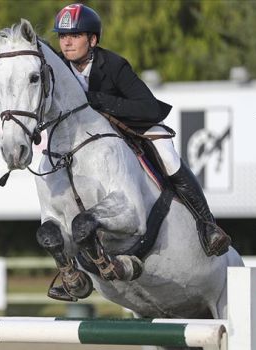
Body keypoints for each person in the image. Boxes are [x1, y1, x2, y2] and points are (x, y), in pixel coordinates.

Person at [53, 3, 231, 258]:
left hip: (134, 126)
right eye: (62, 36)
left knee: (168, 156)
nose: (67, 43)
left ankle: (208, 225)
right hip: (91, 138)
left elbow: (147, 107)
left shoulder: (114, 65)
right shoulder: (58, 69)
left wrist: (97, 99)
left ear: (92, 40)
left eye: (75, 35)